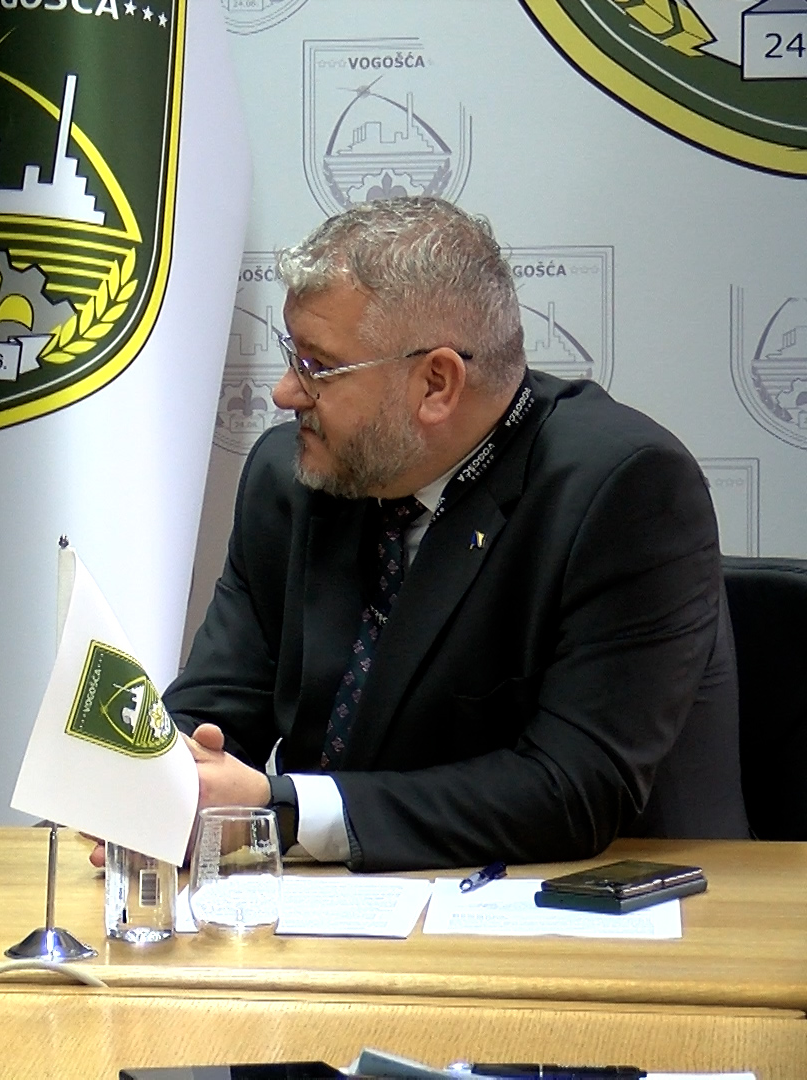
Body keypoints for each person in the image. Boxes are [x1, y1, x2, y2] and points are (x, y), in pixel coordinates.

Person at [165, 197, 745, 872]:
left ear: (437, 383)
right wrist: (163, 781)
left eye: (318, 367)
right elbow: (214, 709)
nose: (285, 392)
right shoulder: (291, 476)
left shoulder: (623, 491)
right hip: (340, 903)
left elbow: (572, 791)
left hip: (598, 899)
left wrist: (283, 811)